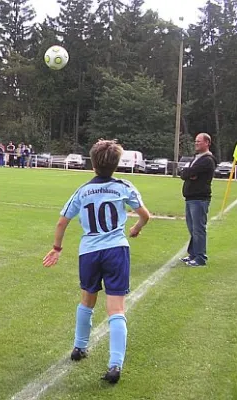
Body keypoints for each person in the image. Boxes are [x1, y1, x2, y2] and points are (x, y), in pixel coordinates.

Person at [42, 140, 150, 384]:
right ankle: (115, 365)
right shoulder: (123, 186)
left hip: (89, 252)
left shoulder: (83, 190)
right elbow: (145, 215)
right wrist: (135, 228)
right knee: (116, 308)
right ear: (116, 164)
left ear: (92, 164)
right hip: (116, 250)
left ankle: (79, 348)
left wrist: (57, 248)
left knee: (87, 299)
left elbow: (62, 222)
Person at [179, 132, 217, 267]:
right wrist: (189, 173)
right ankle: (193, 254)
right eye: (195, 141)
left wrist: (189, 173)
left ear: (207, 143)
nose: (196, 144)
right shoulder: (196, 158)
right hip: (190, 198)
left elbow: (188, 172)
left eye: (199, 141)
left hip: (199, 198)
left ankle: (200, 257)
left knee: (198, 228)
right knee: (192, 228)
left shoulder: (207, 160)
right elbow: (184, 173)